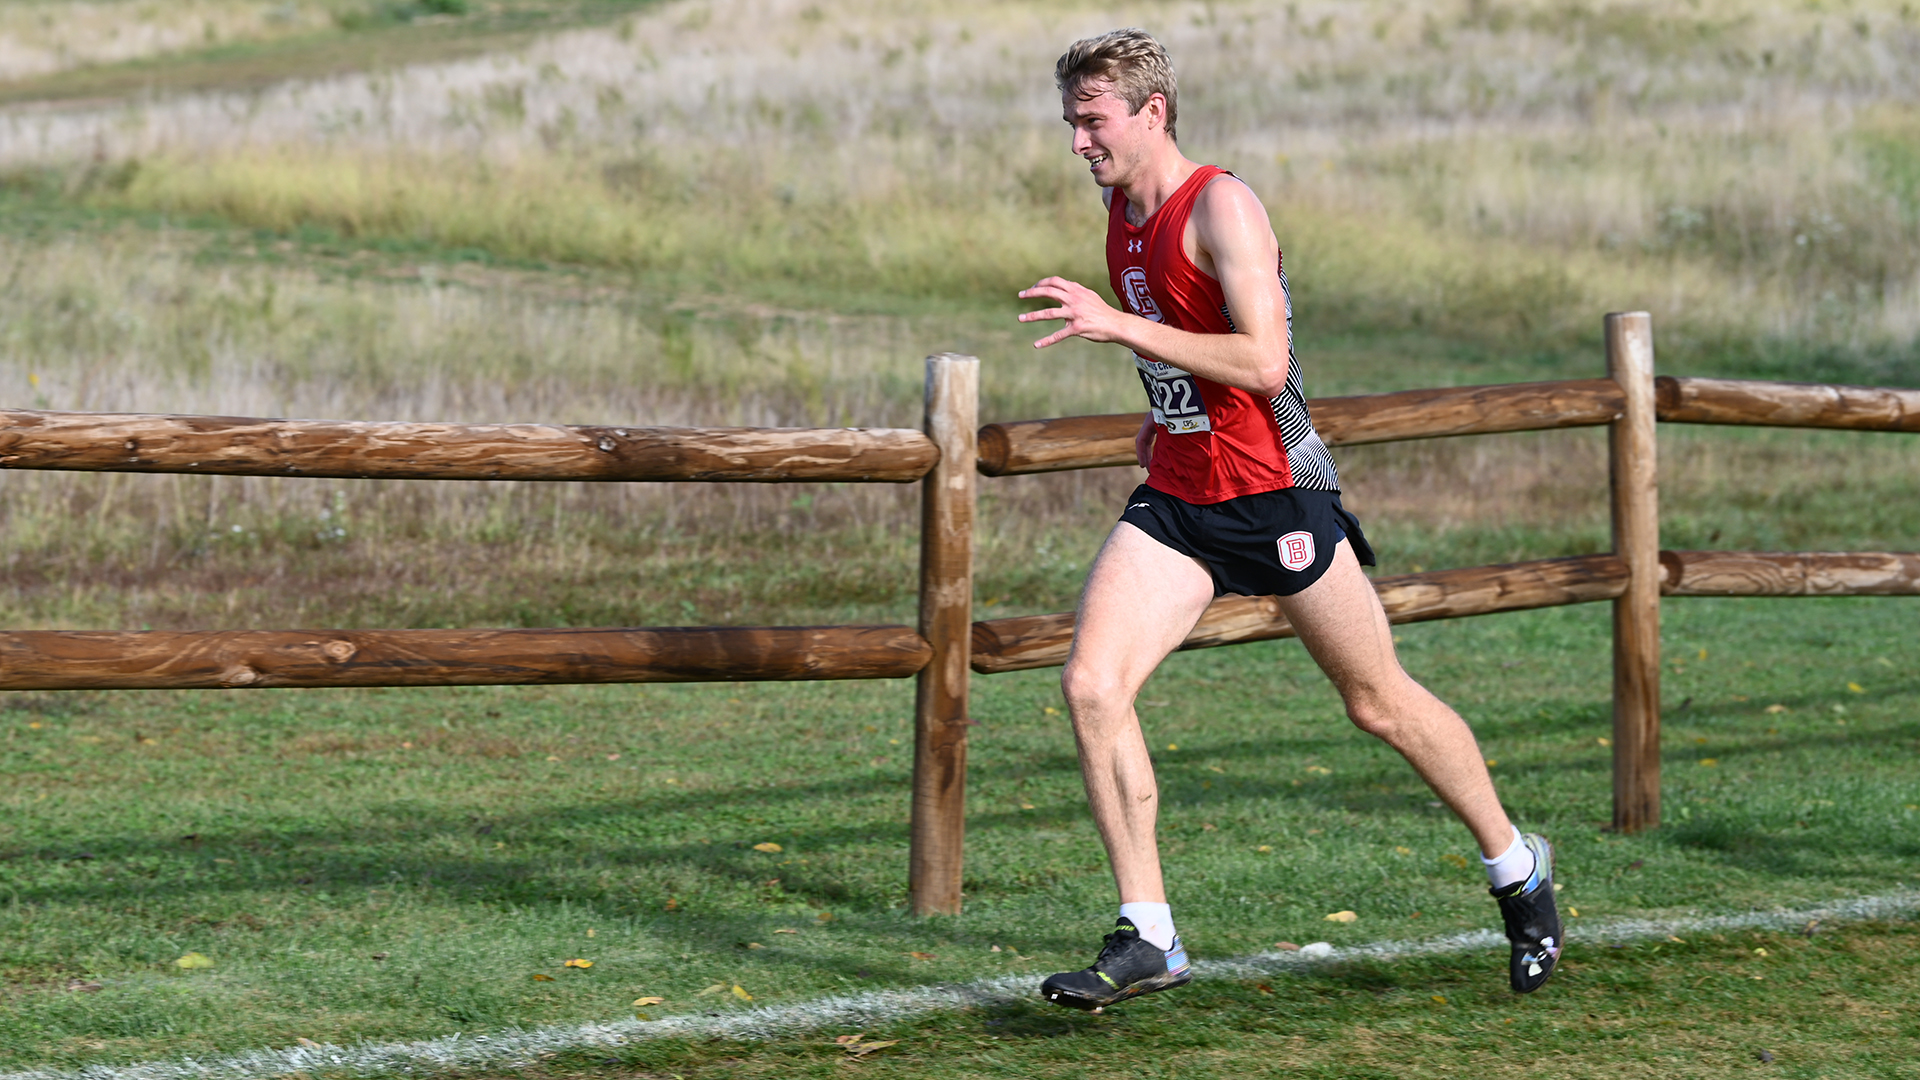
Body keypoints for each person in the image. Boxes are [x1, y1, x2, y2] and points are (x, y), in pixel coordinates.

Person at [1016, 28, 1561, 1012]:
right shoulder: (1117, 209)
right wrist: (1160, 415)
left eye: (1091, 122)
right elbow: (1189, 356)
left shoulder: (1222, 203)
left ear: (1153, 111)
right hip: (1183, 499)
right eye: (1070, 123)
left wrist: (1119, 325)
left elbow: (1265, 364)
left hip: (1278, 496)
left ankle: (1517, 866)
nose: (1077, 143)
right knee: (1093, 685)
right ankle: (1149, 933)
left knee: (1376, 701)